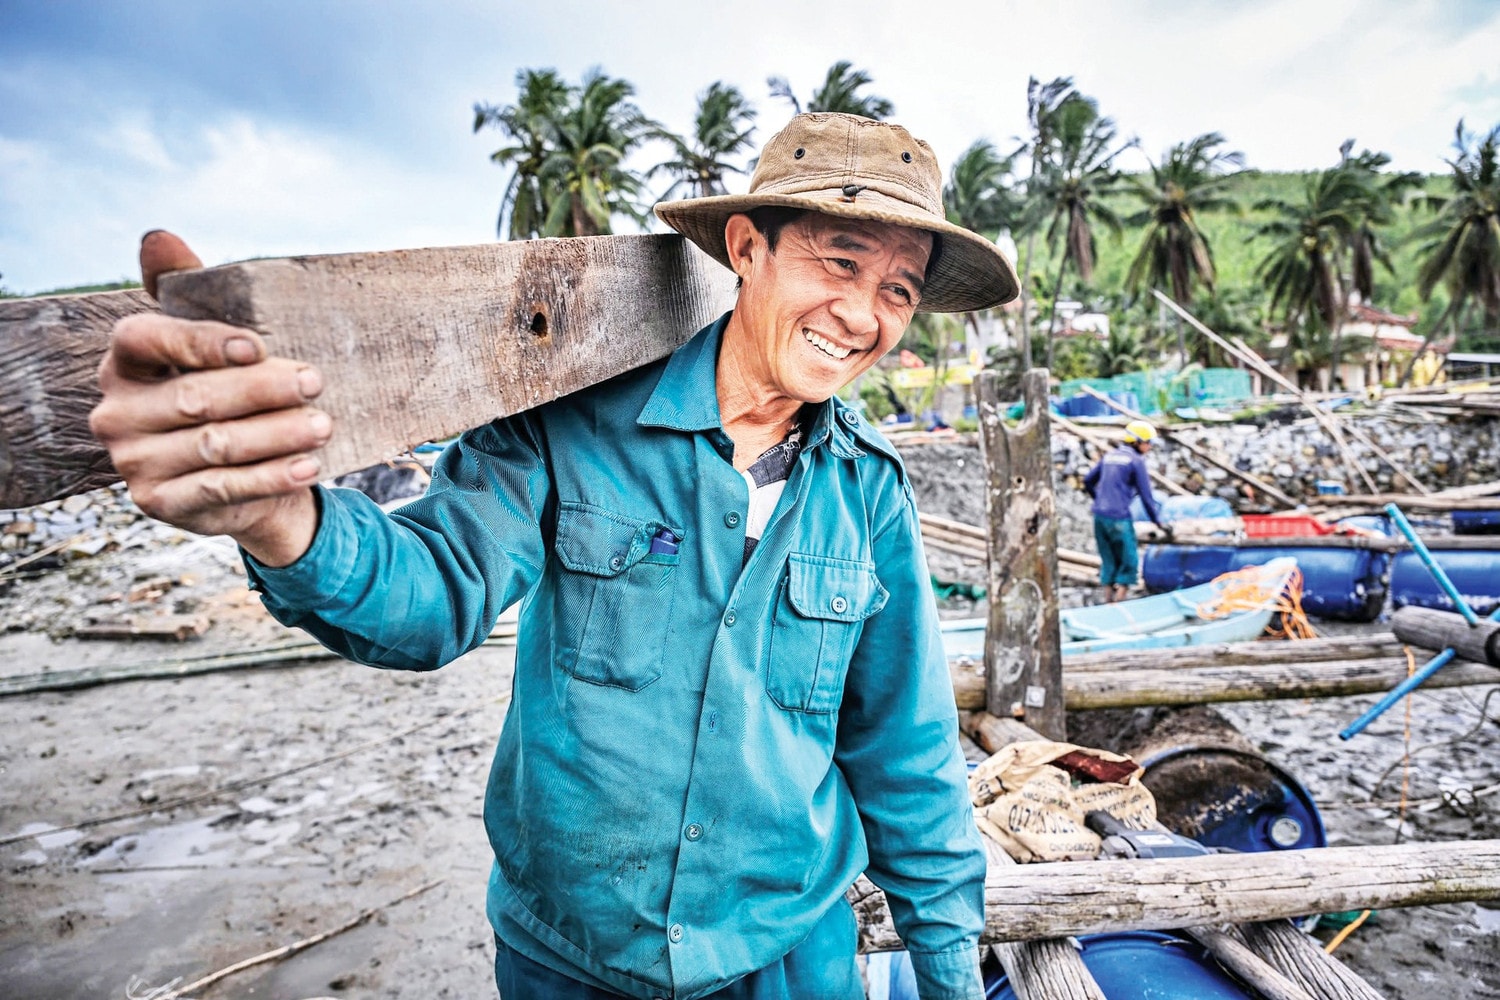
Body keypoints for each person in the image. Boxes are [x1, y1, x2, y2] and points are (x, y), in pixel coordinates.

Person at [89, 113, 1020, 1000]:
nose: (861, 314)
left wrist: (949, 976)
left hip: (784, 956)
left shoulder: (870, 495)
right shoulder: (570, 421)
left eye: (897, 289)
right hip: (570, 959)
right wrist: (277, 519)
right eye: (839, 262)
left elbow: (909, 757)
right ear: (747, 248)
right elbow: (435, 591)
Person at [1082, 420, 1169, 603]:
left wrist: (1098, 499)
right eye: (1148, 443)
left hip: (1099, 516)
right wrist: (1158, 522)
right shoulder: (1136, 461)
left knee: (1108, 559)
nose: (1150, 447)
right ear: (1138, 442)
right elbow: (1147, 497)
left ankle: (1107, 601)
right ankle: (1118, 603)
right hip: (1119, 517)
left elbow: (1088, 480)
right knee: (1129, 561)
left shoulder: (1110, 456)